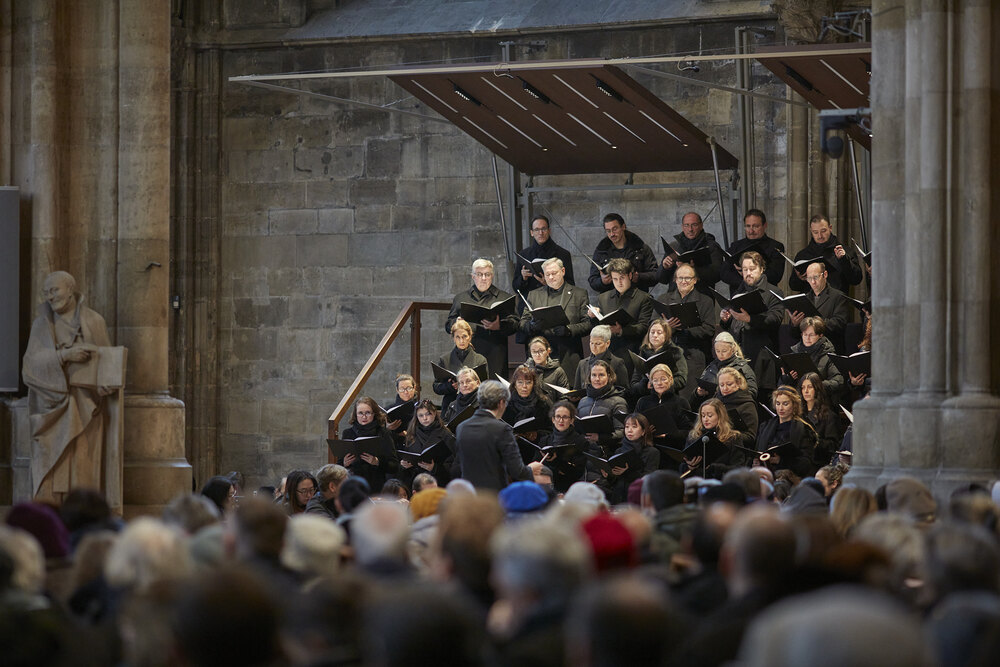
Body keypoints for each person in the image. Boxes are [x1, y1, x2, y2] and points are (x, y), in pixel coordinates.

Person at [23, 271, 117, 504]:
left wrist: (105, 383)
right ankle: (50, 506)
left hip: (86, 404)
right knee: (52, 464)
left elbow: (108, 361)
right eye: (46, 292)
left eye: (54, 290)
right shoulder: (41, 324)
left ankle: (81, 508)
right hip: (51, 407)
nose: (50, 296)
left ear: (70, 289)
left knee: (82, 459)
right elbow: (30, 364)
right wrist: (64, 356)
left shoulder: (94, 321)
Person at [518, 257, 592, 379]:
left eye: (554, 273)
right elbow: (522, 323)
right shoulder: (534, 294)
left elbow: (587, 324)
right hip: (541, 359)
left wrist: (569, 330)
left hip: (568, 355)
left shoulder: (579, 294)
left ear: (563, 271)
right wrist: (531, 325)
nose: (551, 277)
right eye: (547, 274)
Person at [446, 258, 517, 381]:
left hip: (495, 352)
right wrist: (456, 323)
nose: (483, 278)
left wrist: (499, 326)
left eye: (487, 274)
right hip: (468, 353)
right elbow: (448, 325)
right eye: (479, 274)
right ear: (473, 276)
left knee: (494, 389)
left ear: (492, 275)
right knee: (468, 385)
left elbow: (516, 324)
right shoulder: (461, 298)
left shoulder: (504, 297)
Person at [455, 380, 531, 491]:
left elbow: (459, 466)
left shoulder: (461, 427)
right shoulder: (502, 429)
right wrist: (531, 469)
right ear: (501, 402)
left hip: (468, 494)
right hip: (493, 495)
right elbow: (517, 471)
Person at [659, 263, 718, 401]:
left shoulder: (705, 301)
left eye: (688, 278)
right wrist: (667, 327)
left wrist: (684, 328)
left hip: (694, 355)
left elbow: (709, 329)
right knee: (667, 398)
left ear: (695, 280)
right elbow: (652, 325)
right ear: (675, 280)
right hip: (668, 355)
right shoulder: (664, 299)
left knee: (689, 398)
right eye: (680, 278)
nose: (683, 281)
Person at [720, 250, 784, 365]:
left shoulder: (774, 292)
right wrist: (726, 319)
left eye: (752, 269)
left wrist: (750, 319)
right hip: (737, 352)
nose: (748, 273)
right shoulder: (738, 292)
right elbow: (732, 323)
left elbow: (775, 319)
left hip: (761, 354)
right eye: (745, 269)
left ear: (761, 269)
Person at [591, 258, 654, 363]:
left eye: (622, 278)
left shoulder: (644, 298)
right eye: (615, 279)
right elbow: (598, 326)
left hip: (631, 352)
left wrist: (621, 331)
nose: (619, 283)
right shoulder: (603, 297)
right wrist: (593, 316)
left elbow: (644, 327)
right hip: (608, 352)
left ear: (630, 276)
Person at [787, 214, 864, 294]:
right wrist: (799, 278)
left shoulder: (845, 251)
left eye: (823, 231)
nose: (820, 236)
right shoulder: (803, 255)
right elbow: (793, 286)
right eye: (815, 232)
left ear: (830, 228)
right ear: (811, 231)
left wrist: (844, 260)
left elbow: (856, 280)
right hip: (810, 300)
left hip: (837, 300)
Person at [787, 261, 852, 352]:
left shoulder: (838, 296)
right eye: (809, 278)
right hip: (807, 351)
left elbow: (839, 324)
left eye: (816, 277)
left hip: (830, 350)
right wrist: (795, 324)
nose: (813, 282)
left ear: (825, 274)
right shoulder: (804, 299)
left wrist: (814, 323)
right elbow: (794, 335)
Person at [756, 386, 818, 478]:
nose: (780, 408)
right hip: (764, 472)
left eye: (785, 404)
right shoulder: (765, 426)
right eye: (778, 403)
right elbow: (757, 450)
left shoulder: (803, 429)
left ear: (794, 405)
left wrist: (780, 461)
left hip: (790, 475)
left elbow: (806, 463)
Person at [588, 213, 659, 293]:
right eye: (608, 231)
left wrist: (639, 277)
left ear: (623, 227)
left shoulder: (640, 248)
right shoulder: (601, 251)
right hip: (610, 297)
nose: (612, 234)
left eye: (615, 229)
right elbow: (592, 281)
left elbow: (656, 275)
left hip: (637, 296)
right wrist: (602, 282)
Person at [599, 413, 660, 504]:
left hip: (639, 498)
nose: (629, 430)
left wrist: (628, 472)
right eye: (627, 427)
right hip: (618, 497)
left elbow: (649, 480)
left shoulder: (652, 452)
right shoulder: (619, 451)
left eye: (634, 427)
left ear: (643, 431)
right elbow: (615, 482)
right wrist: (609, 475)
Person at [658, 211, 725, 294]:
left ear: (701, 226)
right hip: (675, 296)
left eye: (694, 225)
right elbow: (661, 279)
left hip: (702, 296)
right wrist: (665, 268)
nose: (690, 229)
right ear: (682, 227)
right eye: (686, 225)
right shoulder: (674, 246)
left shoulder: (712, 246)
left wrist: (693, 269)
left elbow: (717, 275)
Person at [341, 396, 399, 492]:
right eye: (360, 413)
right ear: (355, 414)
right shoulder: (348, 433)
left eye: (368, 413)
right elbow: (339, 464)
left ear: (374, 414)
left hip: (376, 486)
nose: (364, 417)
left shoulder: (383, 433)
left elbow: (394, 466)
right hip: (353, 486)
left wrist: (377, 462)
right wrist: (344, 463)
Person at [781, 316, 845, 402]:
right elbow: (782, 385)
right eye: (805, 334)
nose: (807, 338)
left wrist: (817, 385)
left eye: (811, 335)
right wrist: (787, 379)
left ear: (820, 335)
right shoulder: (795, 353)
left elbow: (838, 381)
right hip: (799, 401)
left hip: (821, 402)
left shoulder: (828, 355)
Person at [720, 209, 786, 290]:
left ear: (765, 225)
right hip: (739, 292)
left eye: (755, 226)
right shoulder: (735, 246)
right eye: (748, 226)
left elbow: (775, 275)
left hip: (765, 293)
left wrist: (749, 277)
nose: (751, 231)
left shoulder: (775, 246)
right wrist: (744, 282)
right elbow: (724, 273)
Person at [432, 319, 488, 413]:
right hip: (451, 407)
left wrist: (471, 385)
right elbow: (436, 387)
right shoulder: (445, 359)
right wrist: (450, 386)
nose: (461, 340)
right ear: (453, 338)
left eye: (464, 336)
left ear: (470, 337)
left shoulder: (480, 360)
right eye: (457, 337)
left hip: (474, 406)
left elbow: (485, 387)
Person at [399, 399, 456, 490]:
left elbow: (455, 463)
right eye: (421, 415)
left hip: (439, 483)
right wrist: (405, 465)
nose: (425, 418)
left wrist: (434, 468)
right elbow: (407, 454)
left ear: (434, 413)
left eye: (428, 414)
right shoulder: (412, 433)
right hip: (417, 482)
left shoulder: (445, 434)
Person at [535, 400, 590, 494]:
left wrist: (556, 461)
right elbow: (536, 464)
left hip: (568, 488)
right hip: (544, 486)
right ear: (553, 419)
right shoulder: (544, 440)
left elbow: (577, 472)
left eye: (565, 417)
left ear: (571, 420)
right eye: (558, 416)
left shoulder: (580, 441)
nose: (561, 420)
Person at [577, 360, 629, 456]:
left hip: (608, 453)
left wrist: (599, 437)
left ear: (609, 377)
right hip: (584, 453)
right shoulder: (583, 401)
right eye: (594, 375)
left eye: (601, 375)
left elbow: (622, 432)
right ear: (589, 377)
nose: (597, 379)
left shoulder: (619, 402)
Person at [682, 398, 745, 478]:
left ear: (720, 416)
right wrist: (689, 467)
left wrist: (715, 468)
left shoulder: (733, 437)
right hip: (697, 480)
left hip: (722, 481)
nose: (705, 419)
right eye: (703, 416)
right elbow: (683, 464)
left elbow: (739, 468)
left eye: (710, 415)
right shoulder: (694, 435)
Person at [512, 215, 576, 294]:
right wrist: (523, 278)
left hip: (554, 299)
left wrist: (550, 283)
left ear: (549, 230)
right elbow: (515, 288)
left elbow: (570, 286)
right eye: (536, 229)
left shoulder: (563, 254)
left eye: (543, 229)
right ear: (531, 233)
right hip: (529, 300)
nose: (540, 233)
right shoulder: (524, 254)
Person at [635, 364, 693, 449]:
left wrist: (669, 434)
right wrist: (645, 431)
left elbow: (690, 431)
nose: (659, 383)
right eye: (655, 380)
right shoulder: (643, 402)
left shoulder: (681, 402)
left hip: (673, 448)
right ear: (651, 382)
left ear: (670, 379)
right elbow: (635, 425)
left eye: (663, 379)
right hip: (647, 448)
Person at [629, 317, 689, 398]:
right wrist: (645, 385)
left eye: (659, 332)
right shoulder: (643, 353)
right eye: (652, 332)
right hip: (647, 398)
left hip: (668, 397)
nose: (655, 335)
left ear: (666, 335)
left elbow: (681, 379)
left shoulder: (675, 352)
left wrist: (664, 384)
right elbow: (634, 383)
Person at [798, 371, 843, 467]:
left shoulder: (829, 416)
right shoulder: (798, 414)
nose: (806, 391)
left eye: (810, 387)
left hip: (818, 463)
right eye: (803, 387)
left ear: (817, 389)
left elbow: (833, 446)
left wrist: (815, 441)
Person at [696, 332, 758, 401]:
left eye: (724, 351)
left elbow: (752, 392)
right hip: (712, 405)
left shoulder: (743, 368)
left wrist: (732, 394)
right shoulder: (711, 367)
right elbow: (696, 397)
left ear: (733, 349)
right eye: (717, 351)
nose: (720, 354)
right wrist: (698, 393)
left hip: (734, 405)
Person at [572, 324, 629, 392]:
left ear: (607, 343)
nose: (593, 347)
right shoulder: (582, 363)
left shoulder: (617, 363)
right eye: (591, 343)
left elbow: (624, 391)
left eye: (598, 344)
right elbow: (577, 390)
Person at [714, 366, 759, 453]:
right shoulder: (716, 401)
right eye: (721, 385)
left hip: (736, 452)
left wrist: (729, 435)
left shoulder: (747, 404)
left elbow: (751, 437)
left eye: (729, 384)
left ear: (738, 384)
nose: (725, 388)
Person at [502, 364, 553, 439]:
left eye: (528, 382)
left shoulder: (543, 403)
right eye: (520, 382)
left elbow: (552, 429)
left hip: (537, 443)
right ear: (515, 385)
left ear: (533, 384)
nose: (524, 386)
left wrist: (537, 434)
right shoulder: (506, 404)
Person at [524, 335, 570, 400]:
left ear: (548, 351)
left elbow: (564, 398)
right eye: (534, 351)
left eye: (541, 351)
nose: (537, 355)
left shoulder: (557, 371)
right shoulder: (524, 370)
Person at [384, 374, 418, 443]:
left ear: (414, 388)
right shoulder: (389, 409)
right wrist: (387, 428)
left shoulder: (421, 407)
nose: (406, 392)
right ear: (397, 390)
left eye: (409, 388)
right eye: (402, 389)